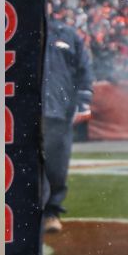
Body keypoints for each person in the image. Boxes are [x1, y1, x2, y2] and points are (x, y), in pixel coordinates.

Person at [41, 14, 94, 234]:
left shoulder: (68, 35)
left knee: (57, 165)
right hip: (28, 109)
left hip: (59, 111)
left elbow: (84, 69)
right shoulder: (20, 31)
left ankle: (51, 211)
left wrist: (83, 101)